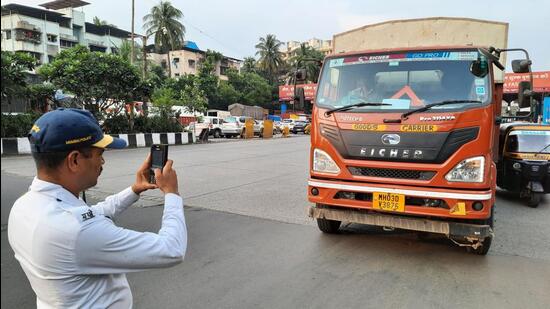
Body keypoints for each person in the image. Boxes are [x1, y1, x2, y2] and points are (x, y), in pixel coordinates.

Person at [8, 108, 187, 308]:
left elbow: (94, 213)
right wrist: (172, 193)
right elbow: (171, 249)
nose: (102, 162)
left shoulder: (24, 206)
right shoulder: (76, 230)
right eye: (99, 154)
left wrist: (134, 190)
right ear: (74, 160)